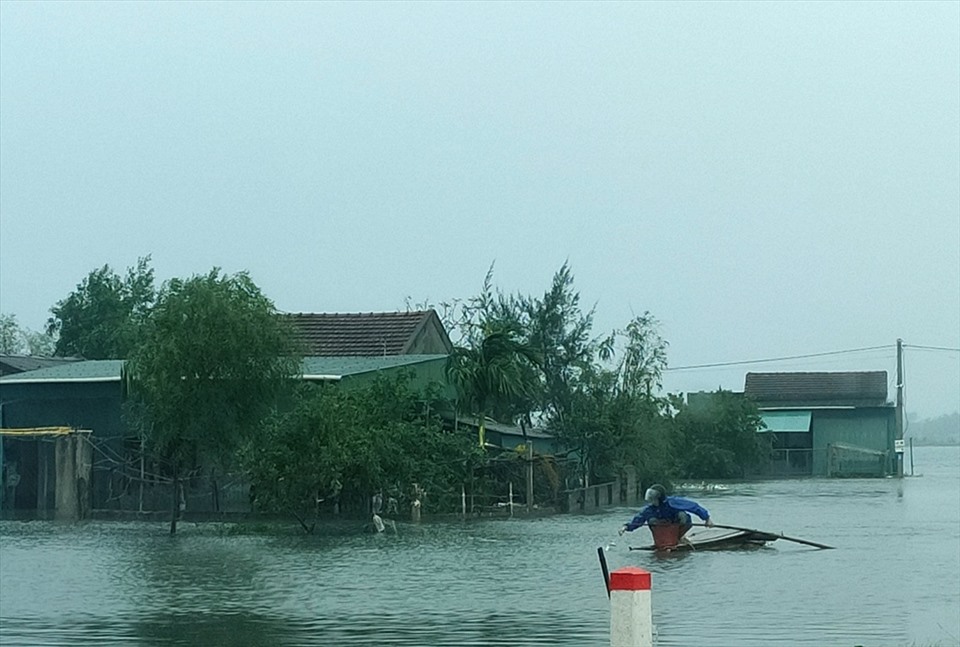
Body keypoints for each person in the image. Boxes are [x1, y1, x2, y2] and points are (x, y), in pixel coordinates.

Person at [619, 483, 714, 539]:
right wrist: (626, 527)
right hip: (663, 528)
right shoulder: (650, 509)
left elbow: (693, 506)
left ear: (659, 498)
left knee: (683, 516)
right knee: (652, 521)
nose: (651, 501)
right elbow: (639, 519)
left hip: (678, 524)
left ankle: (679, 537)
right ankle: (664, 541)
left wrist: (706, 518)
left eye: (653, 498)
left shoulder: (673, 502)